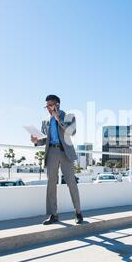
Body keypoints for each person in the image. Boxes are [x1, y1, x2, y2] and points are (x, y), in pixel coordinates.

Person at [31, 95, 83, 225]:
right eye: (46, 106)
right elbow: (44, 139)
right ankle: (53, 215)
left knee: (71, 183)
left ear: (57, 105)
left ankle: (78, 213)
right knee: (51, 184)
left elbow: (72, 131)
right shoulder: (45, 121)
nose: (48, 108)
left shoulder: (68, 116)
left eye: (50, 105)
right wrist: (37, 141)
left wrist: (58, 118)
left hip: (65, 152)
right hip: (52, 152)